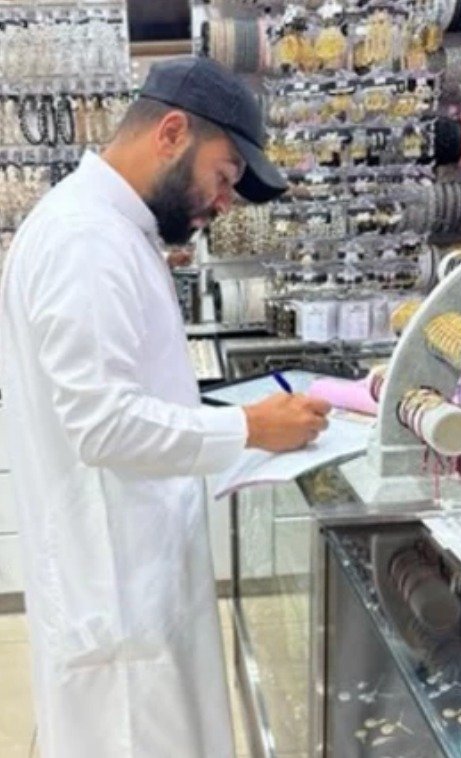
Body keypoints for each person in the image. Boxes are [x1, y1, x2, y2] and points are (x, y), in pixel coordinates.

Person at [0, 58, 331, 757]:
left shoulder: (111, 232)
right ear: (173, 132)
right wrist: (248, 427)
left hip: (135, 586)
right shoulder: (86, 241)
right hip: (119, 607)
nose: (225, 203)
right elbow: (102, 425)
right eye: (225, 175)